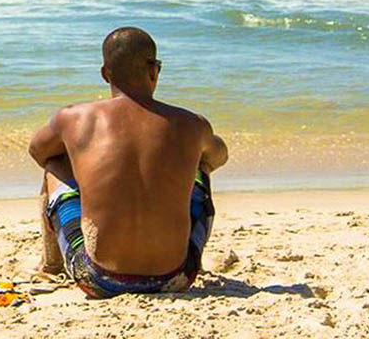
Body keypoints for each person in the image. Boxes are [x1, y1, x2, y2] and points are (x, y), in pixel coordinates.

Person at [29, 26, 228, 298]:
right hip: (178, 276)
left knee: (54, 165)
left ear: (104, 74)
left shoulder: (73, 118)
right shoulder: (191, 124)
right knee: (199, 169)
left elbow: (38, 151)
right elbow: (219, 157)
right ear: (154, 71)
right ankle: (186, 252)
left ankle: (51, 264)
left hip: (98, 279)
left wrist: (84, 166)